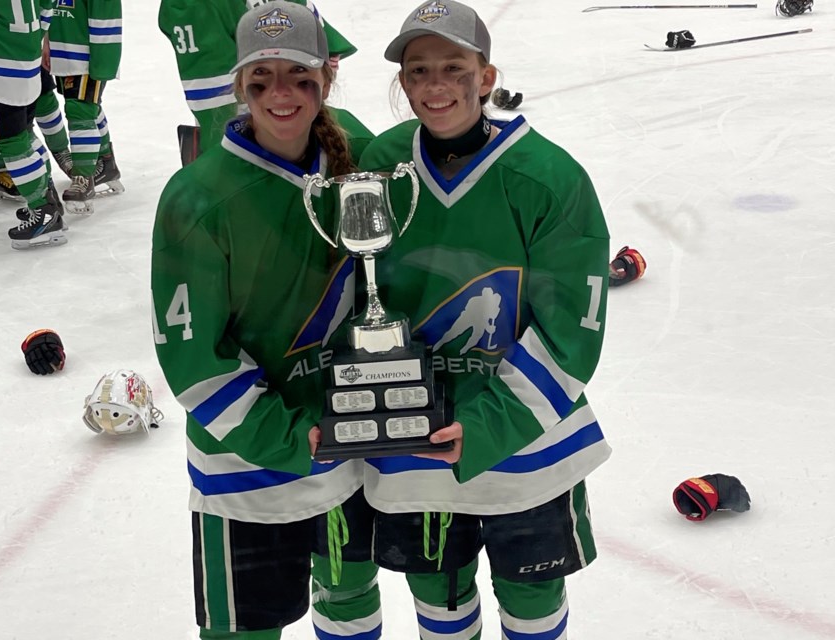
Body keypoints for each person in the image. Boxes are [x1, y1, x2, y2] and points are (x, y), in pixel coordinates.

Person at [353, 2, 614, 638]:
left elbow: (571, 330)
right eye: (418, 71)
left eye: (453, 67)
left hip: (524, 440)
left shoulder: (549, 177)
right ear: (404, 82)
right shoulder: (380, 163)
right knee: (438, 599)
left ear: (487, 76)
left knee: (532, 600)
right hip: (412, 429)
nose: (435, 85)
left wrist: (488, 423)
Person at [150, 3, 382, 638]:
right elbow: (193, 355)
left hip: (349, 439)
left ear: (327, 77)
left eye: (299, 76)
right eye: (261, 79)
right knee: (244, 628)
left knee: (350, 599)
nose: (281, 95)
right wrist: (287, 436)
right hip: (244, 468)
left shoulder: (362, 154)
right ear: (238, 84)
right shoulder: (197, 197)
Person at [158, 0, 358, 165]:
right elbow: (328, 51)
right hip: (287, 126)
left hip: (261, 136)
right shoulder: (357, 138)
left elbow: (213, 104)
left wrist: (218, 167)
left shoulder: (194, 6)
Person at [0, 0, 67, 249]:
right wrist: (36, 37)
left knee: (10, 142)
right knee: (23, 134)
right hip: (26, 59)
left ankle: (44, 213)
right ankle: (49, 202)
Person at [46, 0, 125, 214]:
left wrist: (103, 63)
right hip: (61, 49)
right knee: (89, 107)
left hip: (87, 55)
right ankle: (106, 163)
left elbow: (106, 16)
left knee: (80, 110)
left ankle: (83, 178)